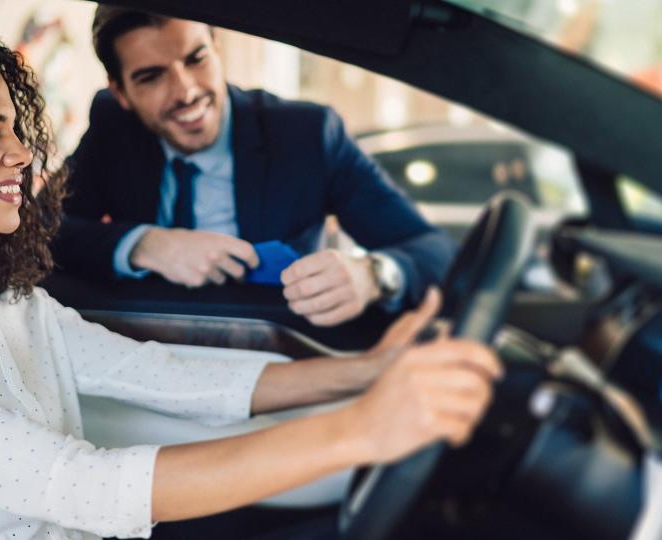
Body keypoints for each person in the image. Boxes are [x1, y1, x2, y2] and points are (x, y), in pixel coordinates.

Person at [0, 4, 500, 540]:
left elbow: (162, 372)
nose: (24, 155)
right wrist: (361, 428)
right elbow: (83, 484)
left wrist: (361, 371)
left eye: (18, 131)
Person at [53, 7, 457, 327]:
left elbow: (432, 252)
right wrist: (142, 245)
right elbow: (41, 232)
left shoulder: (307, 135)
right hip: (143, 347)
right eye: (152, 77)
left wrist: (374, 275)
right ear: (120, 92)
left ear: (218, 48)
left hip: (280, 348)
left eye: (196, 59)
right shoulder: (113, 127)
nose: (187, 92)